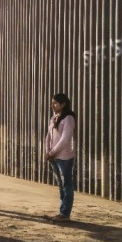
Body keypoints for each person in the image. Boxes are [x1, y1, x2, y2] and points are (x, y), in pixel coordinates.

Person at [44, 93, 76, 222]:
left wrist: (52, 152)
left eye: (55, 103)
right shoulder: (54, 118)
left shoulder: (69, 118)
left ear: (63, 104)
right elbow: (48, 136)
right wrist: (48, 152)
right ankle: (62, 212)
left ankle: (65, 214)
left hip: (64, 157)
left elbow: (65, 139)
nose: (52, 105)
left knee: (66, 184)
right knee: (60, 185)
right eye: (52, 103)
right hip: (53, 156)